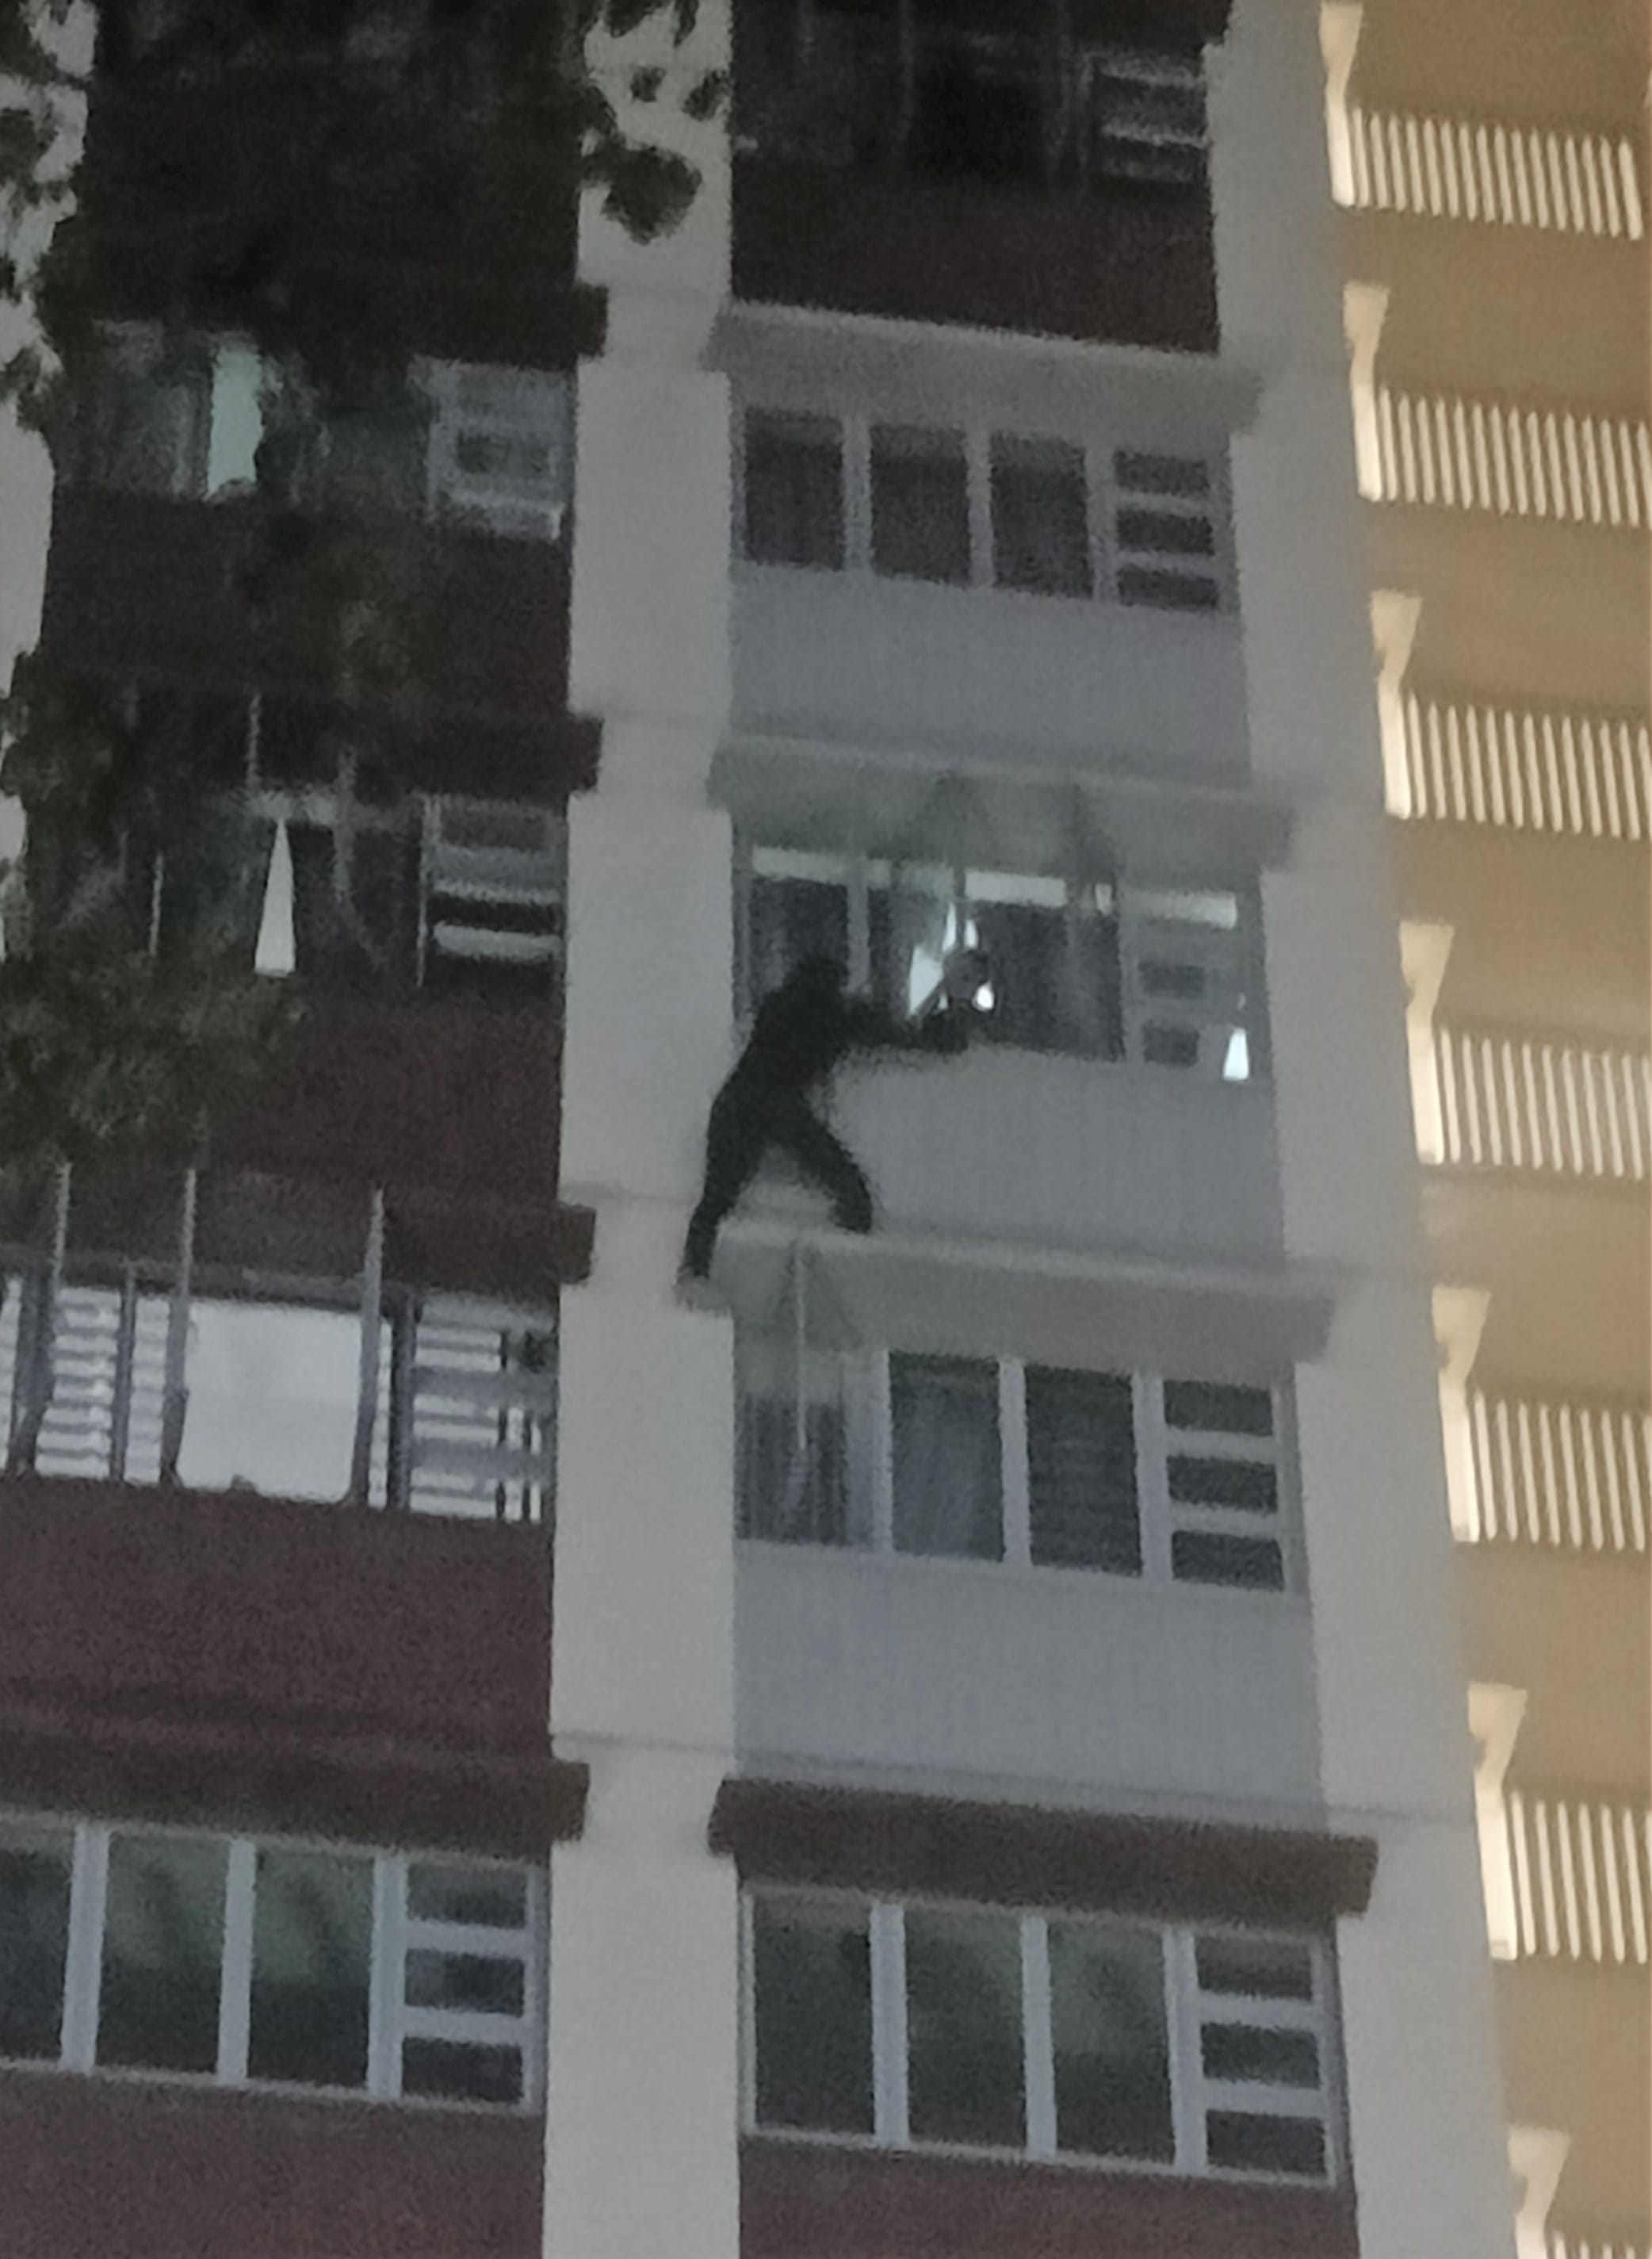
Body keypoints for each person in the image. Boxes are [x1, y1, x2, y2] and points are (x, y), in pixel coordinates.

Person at [682, 951, 982, 1281]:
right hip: (781, 1105)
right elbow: (905, 1037)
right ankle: (853, 1263)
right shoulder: (838, 1016)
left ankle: (694, 1270)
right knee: (851, 1191)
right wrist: (950, 1019)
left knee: (715, 1200)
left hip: (738, 1101)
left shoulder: (777, 1005)